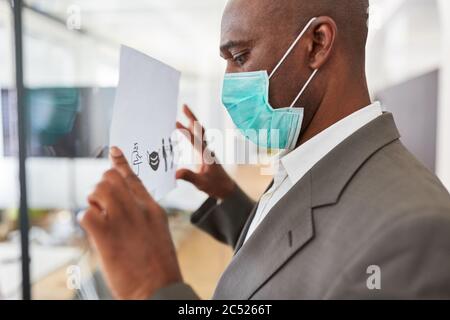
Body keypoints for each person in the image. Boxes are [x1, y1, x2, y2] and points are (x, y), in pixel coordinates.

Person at [79, 0, 450, 300]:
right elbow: (300, 257)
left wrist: (155, 287)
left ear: (317, 44)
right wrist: (227, 194)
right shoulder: (312, 157)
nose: (229, 87)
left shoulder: (413, 231)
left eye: (240, 57)